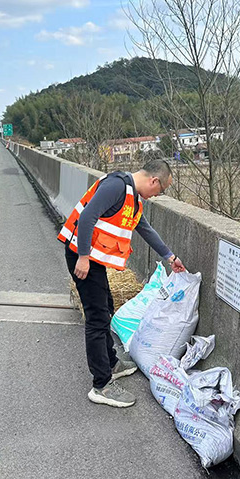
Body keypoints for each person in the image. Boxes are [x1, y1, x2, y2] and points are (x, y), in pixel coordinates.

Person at [58, 159, 186, 408]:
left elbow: (145, 229)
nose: (155, 196)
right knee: (97, 318)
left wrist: (170, 256)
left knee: (105, 306)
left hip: (92, 259)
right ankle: (102, 385)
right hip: (82, 256)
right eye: (159, 191)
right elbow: (87, 218)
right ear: (154, 181)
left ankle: (111, 363)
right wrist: (83, 257)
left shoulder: (132, 197)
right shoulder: (117, 186)